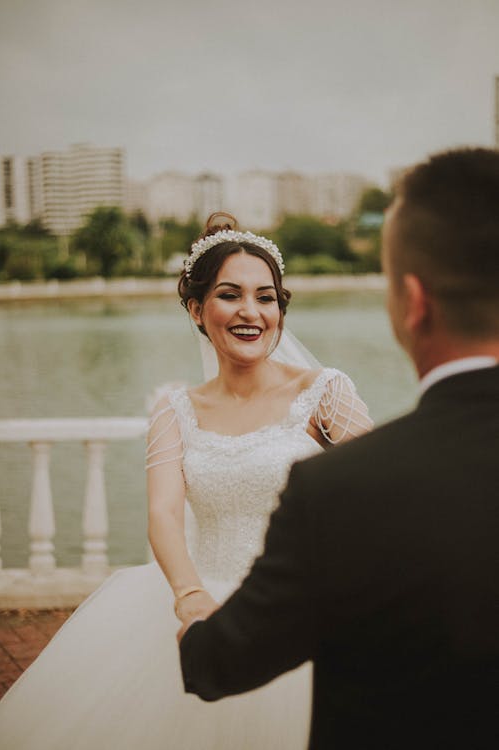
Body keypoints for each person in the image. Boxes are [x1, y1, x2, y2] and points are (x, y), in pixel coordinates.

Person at [0, 212, 372, 749]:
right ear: (197, 310)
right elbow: (163, 513)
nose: (251, 312)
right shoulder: (175, 411)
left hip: (308, 610)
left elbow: (376, 497)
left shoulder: (326, 394)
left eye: (266, 297)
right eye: (230, 295)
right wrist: (189, 596)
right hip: (204, 602)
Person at [179, 150, 499, 750]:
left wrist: (194, 632)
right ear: (198, 310)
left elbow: (220, 664)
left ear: (412, 303)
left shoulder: (341, 488)